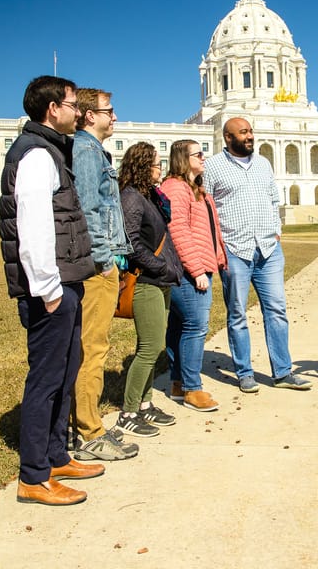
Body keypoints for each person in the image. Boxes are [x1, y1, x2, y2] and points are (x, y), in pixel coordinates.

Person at [0, 75, 104, 506]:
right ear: (51, 109)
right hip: (52, 286)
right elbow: (33, 224)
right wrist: (47, 287)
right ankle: (34, 476)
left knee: (65, 370)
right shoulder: (37, 154)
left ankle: (57, 456)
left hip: (66, 280)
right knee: (45, 379)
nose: (79, 112)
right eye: (73, 104)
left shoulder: (51, 151)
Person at [203, 117, 312, 393]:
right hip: (235, 249)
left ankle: (283, 372)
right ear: (228, 138)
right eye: (244, 132)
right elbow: (206, 206)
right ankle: (244, 373)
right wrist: (218, 244)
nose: (250, 136)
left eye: (251, 131)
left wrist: (276, 229)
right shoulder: (213, 166)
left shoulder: (263, 163)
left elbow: (274, 198)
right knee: (237, 313)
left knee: (277, 310)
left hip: (269, 248)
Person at [69, 88, 139, 461]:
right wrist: (104, 259)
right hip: (97, 265)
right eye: (108, 111)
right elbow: (87, 208)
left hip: (103, 260)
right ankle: (89, 432)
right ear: (87, 115)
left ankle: (82, 425)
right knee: (92, 349)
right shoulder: (85, 151)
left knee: (92, 346)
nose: (114, 117)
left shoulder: (94, 151)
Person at [114, 142, 184, 437]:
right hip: (145, 281)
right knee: (149, 349)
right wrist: (160, 267)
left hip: (160, 280)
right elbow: (130, 243)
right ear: (143, 166)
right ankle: (129, 412)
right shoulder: (131, 198)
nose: (161, 169)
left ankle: (144, 405)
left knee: (153, 348)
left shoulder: (150, 196)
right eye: (157, 164)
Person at [162, 140, 227, 412]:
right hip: (188, 271)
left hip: (198, 266)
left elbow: (210, 227)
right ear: (182, 158)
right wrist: (197, 269)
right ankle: (192, 388)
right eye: (198, 154)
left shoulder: (196, 188)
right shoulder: (176, 189)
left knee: (179, 327)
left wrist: (219, 257)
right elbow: (178, 232)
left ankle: (178, 383)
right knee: (195, 327)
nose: (204, 158)